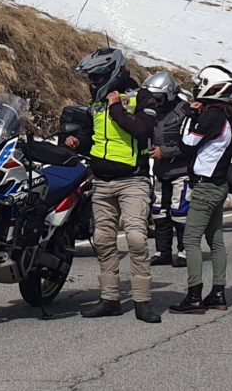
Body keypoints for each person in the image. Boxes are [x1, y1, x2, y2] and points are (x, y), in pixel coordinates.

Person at [66, 48, 161, 324]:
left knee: (136, 239)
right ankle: (109, 299)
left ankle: (143, 301)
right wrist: (77, 141)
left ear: (112, 73)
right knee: (103, 240)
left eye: (97, 77)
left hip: (133, 180)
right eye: (91, 78)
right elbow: (92, 134)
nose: (93, 82)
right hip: (102, 180)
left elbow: (142, 129)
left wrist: (117, 107)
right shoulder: (97, 101)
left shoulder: (142, 96)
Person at [169, 66, 232, 314]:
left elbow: (186, 143)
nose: (197, 88)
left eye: (201, 84)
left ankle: (194, 296)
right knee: (215, 239)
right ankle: (218, 293)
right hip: (219, 183)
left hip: (206, 185)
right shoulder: (230, 116)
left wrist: (190, 115)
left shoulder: (212, 116)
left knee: (190, 240)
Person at [142, 71, 191, 268]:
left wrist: (165, 151)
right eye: (152, 98)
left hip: (181, 171)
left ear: (169, 93)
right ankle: (163, 252)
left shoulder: (185, 112)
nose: (155, 102)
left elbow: (190, 144)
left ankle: (185, 251)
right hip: (161, 171)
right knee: (159, 212)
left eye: (158, 98)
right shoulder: (150, 112)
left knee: (181, 213)